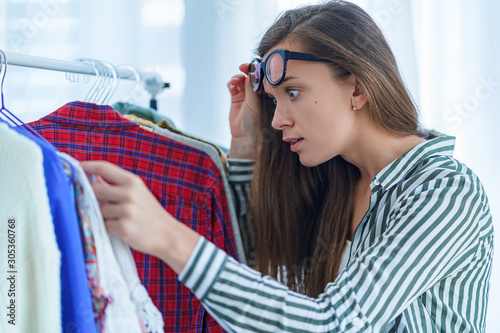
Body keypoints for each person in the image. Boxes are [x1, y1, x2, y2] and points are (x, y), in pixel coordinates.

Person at [81, 1, 494, 331]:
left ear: (358, 86)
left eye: (293, 92)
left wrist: (169, 238)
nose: (278, 120)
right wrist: (247, 146)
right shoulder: (335, 179)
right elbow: (255, 275)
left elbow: (334, 323)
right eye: (275, 100)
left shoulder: (446, 193)